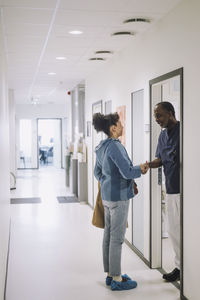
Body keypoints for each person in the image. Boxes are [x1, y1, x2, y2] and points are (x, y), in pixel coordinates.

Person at [93, 112, 149, 291]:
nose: (123, 126)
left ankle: (110, 274)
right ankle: (117, 278)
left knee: (108, 235)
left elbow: (97, 172)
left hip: (108, 197)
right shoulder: (115, 146)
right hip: (119, 198)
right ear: (113, 128)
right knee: (117, 239)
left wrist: (107, 182)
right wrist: (141, 168)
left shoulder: (102, 146)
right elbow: (127, 172)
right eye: (121, 123)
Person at [147, 101, 180, 282]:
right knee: (174, 230)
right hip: (171, 189)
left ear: (170, 113)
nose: (157, 119)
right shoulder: (162, 136)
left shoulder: (184, 131)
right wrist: (148, 165)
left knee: (187, 230)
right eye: (155, 117)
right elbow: (160, 159)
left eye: (159, 115)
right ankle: (180, 266)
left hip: (187, 191)